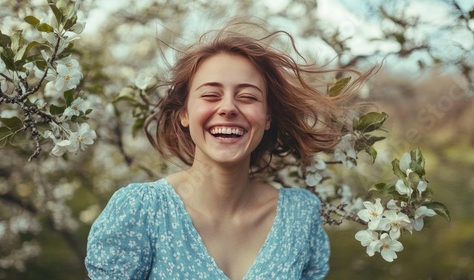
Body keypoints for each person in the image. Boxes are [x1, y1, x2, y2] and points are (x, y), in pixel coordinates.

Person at [85, 19, 371, 280]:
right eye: (210, 95)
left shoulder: (300, 216)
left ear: (268, 117)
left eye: (247, 97)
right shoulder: (141, 211)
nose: (228, 108)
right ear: (184, 114)